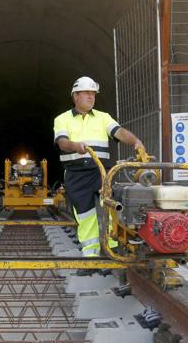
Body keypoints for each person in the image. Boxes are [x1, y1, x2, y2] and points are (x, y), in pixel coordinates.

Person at [53, 76, 145, 275]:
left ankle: (111, 253)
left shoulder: (103, 117)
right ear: (75, 96)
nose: (90, 97)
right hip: (76, 174)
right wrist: (75, 146)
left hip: (101, 171)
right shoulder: (62, 119)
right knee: (85, 215)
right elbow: (62, 142)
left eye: (93, 93)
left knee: (110, 209)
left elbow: (119, 132)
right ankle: (91, 259)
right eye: (86, 93)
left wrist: (135, 141)